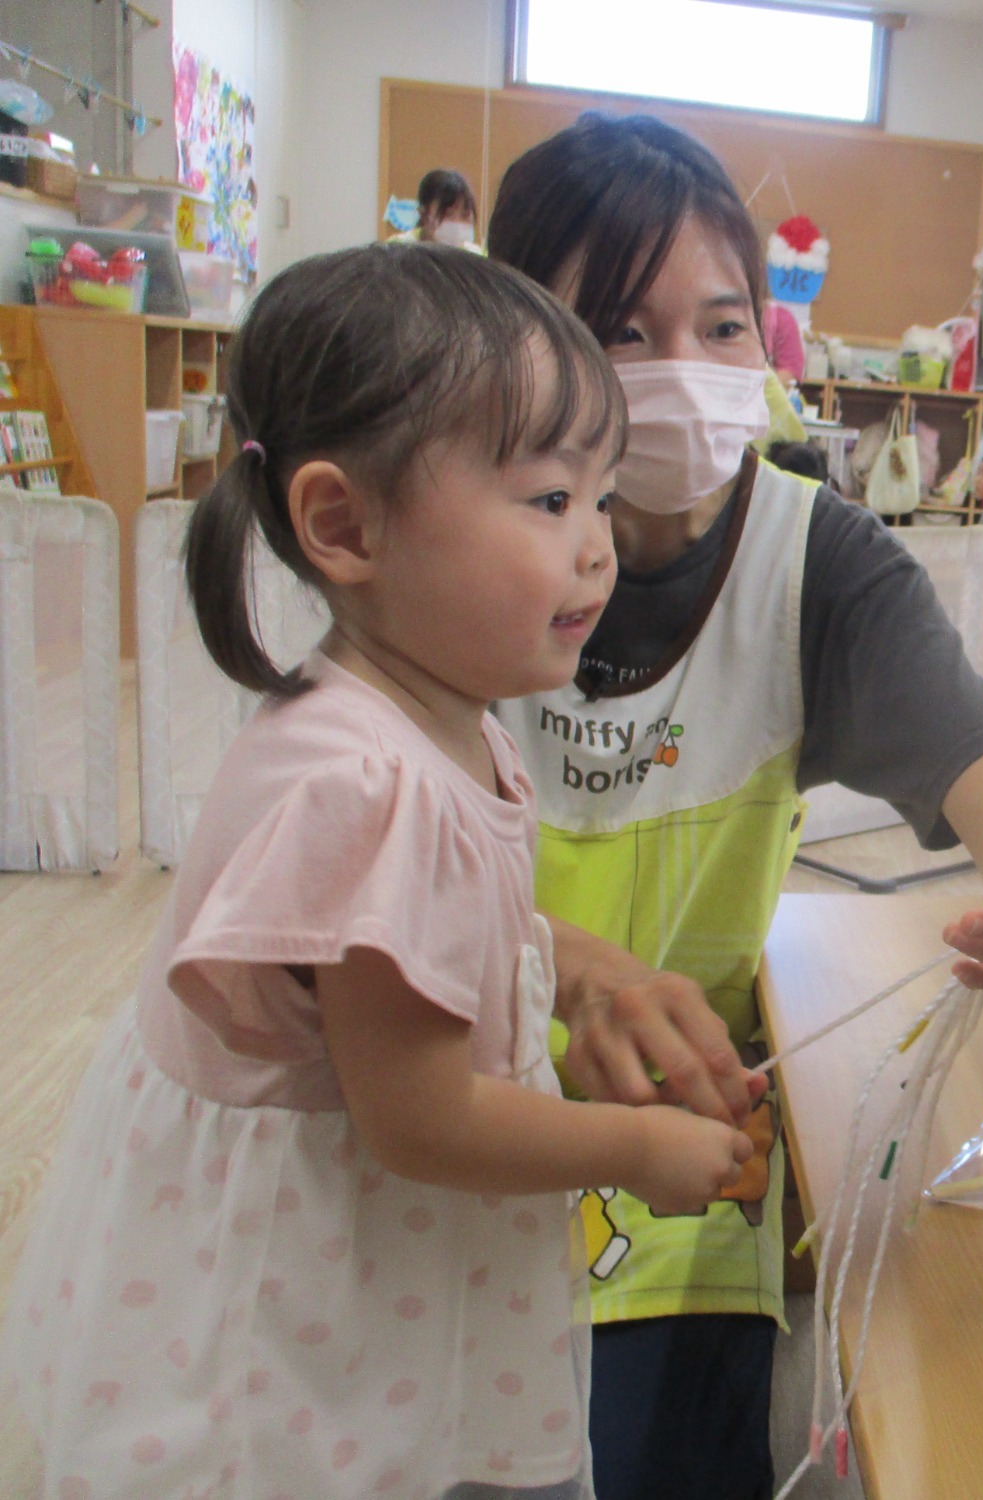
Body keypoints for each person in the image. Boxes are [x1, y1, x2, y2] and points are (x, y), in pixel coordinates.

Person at [0, 244, 761, 1496]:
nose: (597, 547)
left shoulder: (416, 709)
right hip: (318, 1265)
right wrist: (626, 1146)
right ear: (344, 526)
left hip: (352, 1224)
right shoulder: (375, 785)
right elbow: (418, 1119)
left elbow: (440, 934)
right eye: (546, 501)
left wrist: (570, 970)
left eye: (600, 495)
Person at [486, 112, 983, 1500]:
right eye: (623, 332)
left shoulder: (812, 560)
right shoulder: (460, 544)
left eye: (723, 328)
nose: (688, 376)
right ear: (518, 346)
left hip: (683, 1169)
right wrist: (566, 969)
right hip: (454, 1142)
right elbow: (351, 870)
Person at [395, 166, 486, 253]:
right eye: (448, 214)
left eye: (465, 216)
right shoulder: (398, 249)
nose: (457, 222)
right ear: (424, 215)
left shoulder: (476, 256)